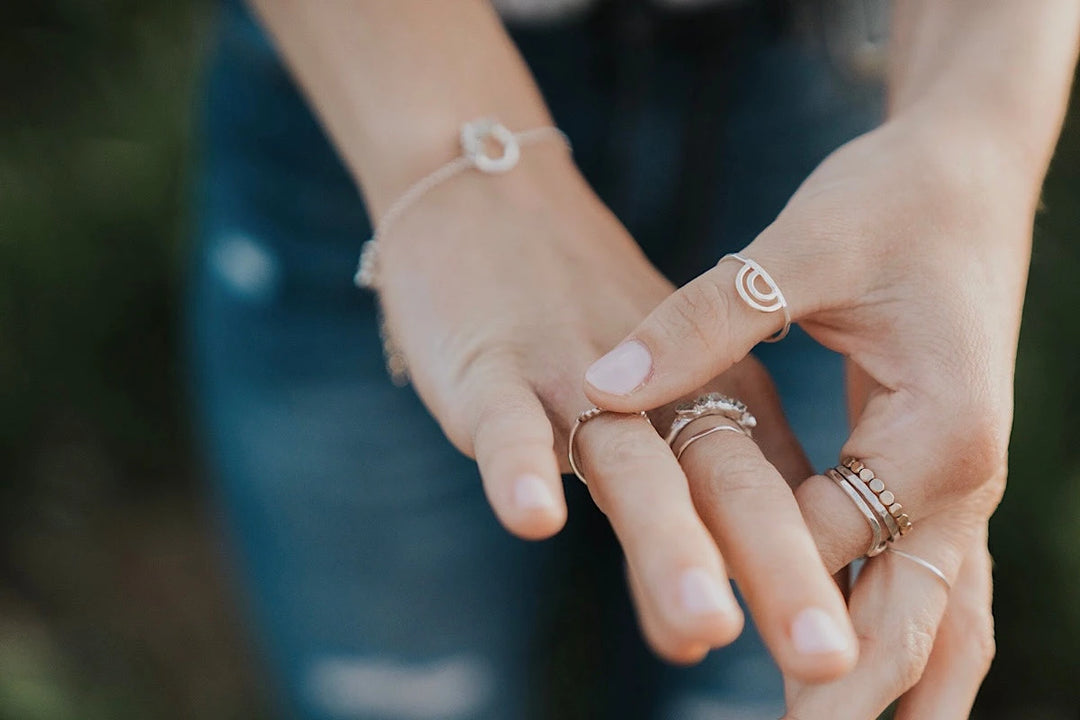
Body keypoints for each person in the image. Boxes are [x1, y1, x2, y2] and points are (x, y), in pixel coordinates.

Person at [188, 1, 1079, 718]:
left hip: (829, 130)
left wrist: (974, 137)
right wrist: (447, 157)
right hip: (365, 94)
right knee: (396, 680)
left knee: (771, 654)